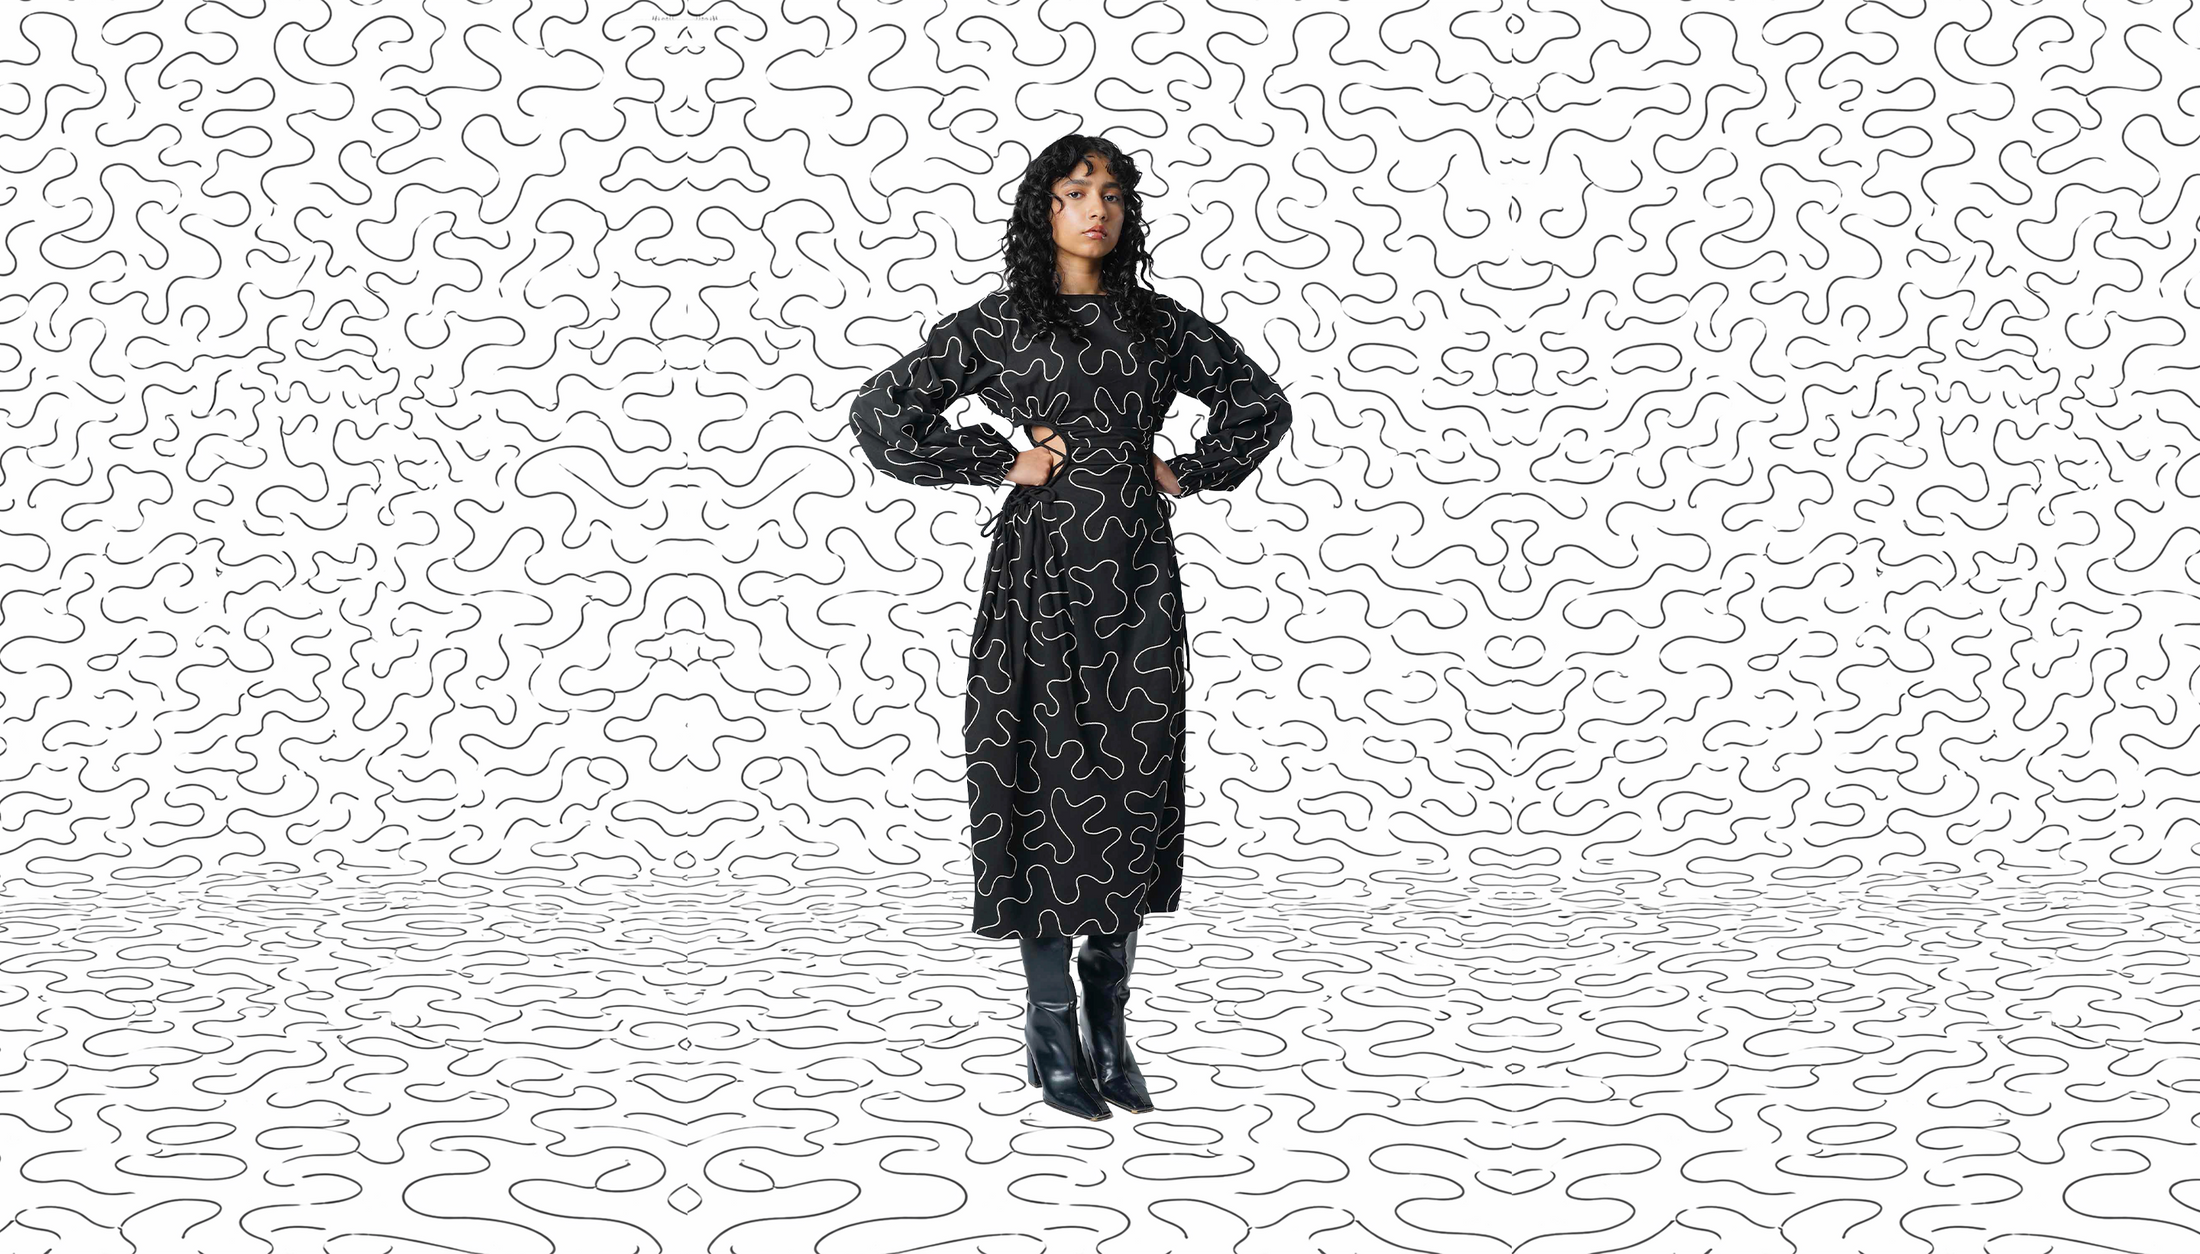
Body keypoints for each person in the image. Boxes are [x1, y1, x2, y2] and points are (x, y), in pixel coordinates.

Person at [846, 135, 1294, 1121]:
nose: (1097, 209)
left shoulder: (1158, 324)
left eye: (1114, 194)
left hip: (1135, 572)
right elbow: (883, 414)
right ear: (1040, 208)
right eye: (1076, 191)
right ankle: (1050, 1029)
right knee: (1042, 779)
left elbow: (1259, 403)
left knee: (1131, 778)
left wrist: (1189, 469)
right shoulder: (1000, 323)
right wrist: (998, 459)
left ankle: (1109, 1022)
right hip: (1041, 572)